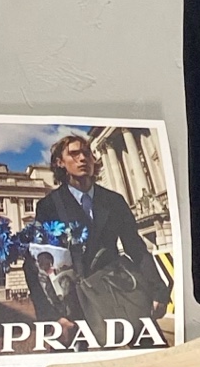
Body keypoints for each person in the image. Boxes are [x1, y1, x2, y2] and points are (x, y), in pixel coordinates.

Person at [33, 133, 169, 322]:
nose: (83, 158)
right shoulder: (49, 206)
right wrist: (53, 318)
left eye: (87, 153)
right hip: (76, 304)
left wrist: (159, 291)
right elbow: (38, 263)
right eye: (74, 154)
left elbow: (136, 247)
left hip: (120, 291)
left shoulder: (114, 201)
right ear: (60, 162)